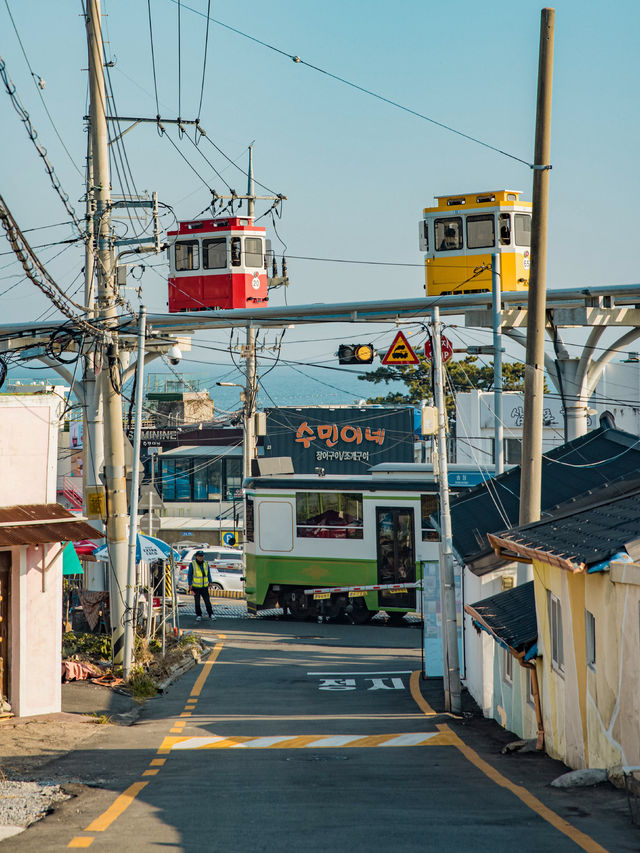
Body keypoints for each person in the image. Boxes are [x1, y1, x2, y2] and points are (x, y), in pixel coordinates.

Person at [188, 551, 215, 621]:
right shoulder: (192, 564)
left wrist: (210, 581)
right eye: (199, 556)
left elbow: (208, 573)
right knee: (197, 602)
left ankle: (211, 614)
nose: (201, 557)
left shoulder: (206, 563)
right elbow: (190, 575)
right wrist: (190, 584)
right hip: (195, 587)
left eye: (202, 556)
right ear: (196, 556)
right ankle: (198, 615)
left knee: (207, 601)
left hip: (204, 587)